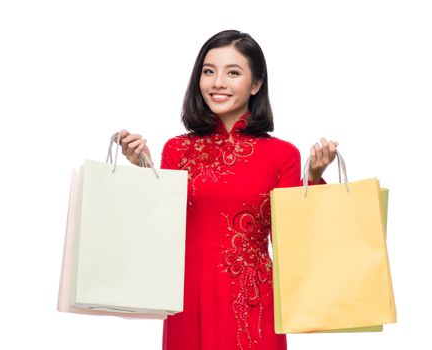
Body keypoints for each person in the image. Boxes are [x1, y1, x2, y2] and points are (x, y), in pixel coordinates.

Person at [119, 30, 338, 350]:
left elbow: (294, 242)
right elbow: (161, 231)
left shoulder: (282, 154)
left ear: (256, 84)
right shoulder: (177, 149)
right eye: (209, 71)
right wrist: (144, 169)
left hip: (251, 300)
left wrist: (314, 177)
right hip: (187, 298)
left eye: (232, 72)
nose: (217, 82)